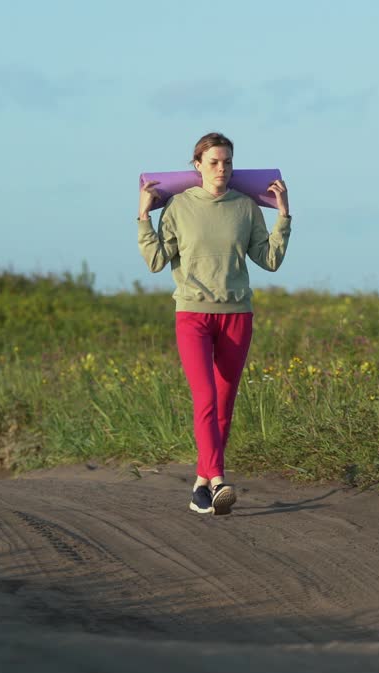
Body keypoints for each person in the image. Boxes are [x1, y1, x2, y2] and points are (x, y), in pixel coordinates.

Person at [137, 132, 291, 515]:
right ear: (197, 166)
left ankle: (201, 486)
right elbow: (156, 261)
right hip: (192, 314)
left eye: (227, 162)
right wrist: (144, 215)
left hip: (237, 315)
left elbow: (269, 260)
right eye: (214, 162)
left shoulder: (245, 207)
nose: (222, 169)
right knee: (204, 397)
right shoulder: (177, 206)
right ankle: (218, 477)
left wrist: (283, 214)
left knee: (224, 404)